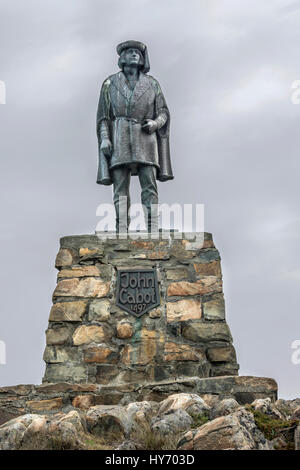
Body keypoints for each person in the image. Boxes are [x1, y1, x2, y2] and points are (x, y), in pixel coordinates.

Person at [96, 40, 173, 232]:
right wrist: (105, 138)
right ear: (122, 58)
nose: (134, 55)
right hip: (119, 135)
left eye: (137, 52)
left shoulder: (152, 83)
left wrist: (155, 124)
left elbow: (163, 112)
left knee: (149, 184)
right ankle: (121, 227)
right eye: (130, 52)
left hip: (145, 138)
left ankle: (152, 226)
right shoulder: (110, 83)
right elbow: (103, 116)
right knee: (120, 187)